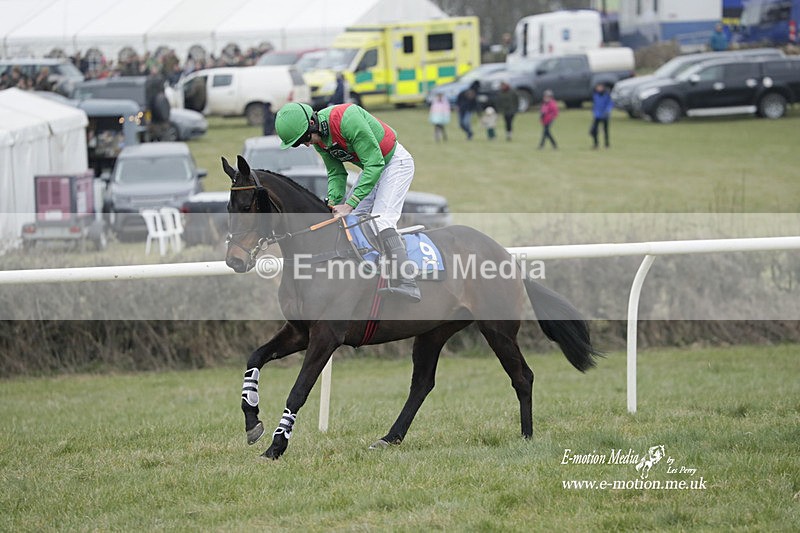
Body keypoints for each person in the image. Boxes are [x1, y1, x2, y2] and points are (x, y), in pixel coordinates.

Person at [275, 102, 421, 302]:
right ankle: (367, 273)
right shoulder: (320, 141)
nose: (307, 144)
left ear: (312, 122)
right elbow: (336, 173)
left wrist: (350, 203)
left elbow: (375, 163)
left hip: (394, 163)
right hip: (372, 168)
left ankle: (407, 282)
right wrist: (332, 203)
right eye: (300, 143)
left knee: (382, 222)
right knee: (351, 222)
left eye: (305, 138)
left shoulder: (347, 119)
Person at [590, 83, 613, 149]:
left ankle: (607, 144)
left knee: (605, 130)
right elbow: (595, 104)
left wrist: (607, 110)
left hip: (604, 115)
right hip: (597, 115)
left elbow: (610, 103)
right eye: (598, 87)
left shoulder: (606, 95)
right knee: (594, 130)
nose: (599, 89)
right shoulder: (595, 95)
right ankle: (596, 144)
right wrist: (594, 111)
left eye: (600, 87)